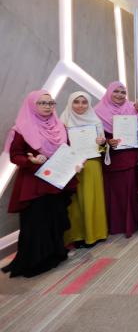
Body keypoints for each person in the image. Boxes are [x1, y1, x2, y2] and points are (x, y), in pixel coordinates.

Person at [2, 90, 76, 277]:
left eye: (50, 103)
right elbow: (15, 156)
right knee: (35, 223)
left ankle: (56, 254)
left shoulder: (60, 126)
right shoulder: (21, 129)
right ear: (31, 105)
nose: (47, 107)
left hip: (56, 180)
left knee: (55, 219)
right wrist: (30, 161)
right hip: (34, 183)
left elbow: (67, 150)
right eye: (42, 103)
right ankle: (34, 263)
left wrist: (74, 164)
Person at [60, 91, 108, 247]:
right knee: (74, 201)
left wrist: (102, 143)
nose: (80, 105)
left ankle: (94, 234)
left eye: (84, 102)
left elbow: (102, 148)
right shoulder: (63, 122)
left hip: (92, 164)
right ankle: (76, 236)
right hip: (71, 165)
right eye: (76, 102)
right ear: (70, 103)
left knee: (92, 198)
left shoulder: (95, 121)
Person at [95, 82, 138, 238]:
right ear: (109, 92)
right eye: (116, 91)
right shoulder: (97, 112)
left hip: (131, 157)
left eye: (123, 92)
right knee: (115, 193)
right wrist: (108, 142)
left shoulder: (132, 109)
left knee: (131, 191)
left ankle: (133, 222)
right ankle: (117, 224)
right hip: (113, 160)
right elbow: (96, 141)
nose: (120, 95)